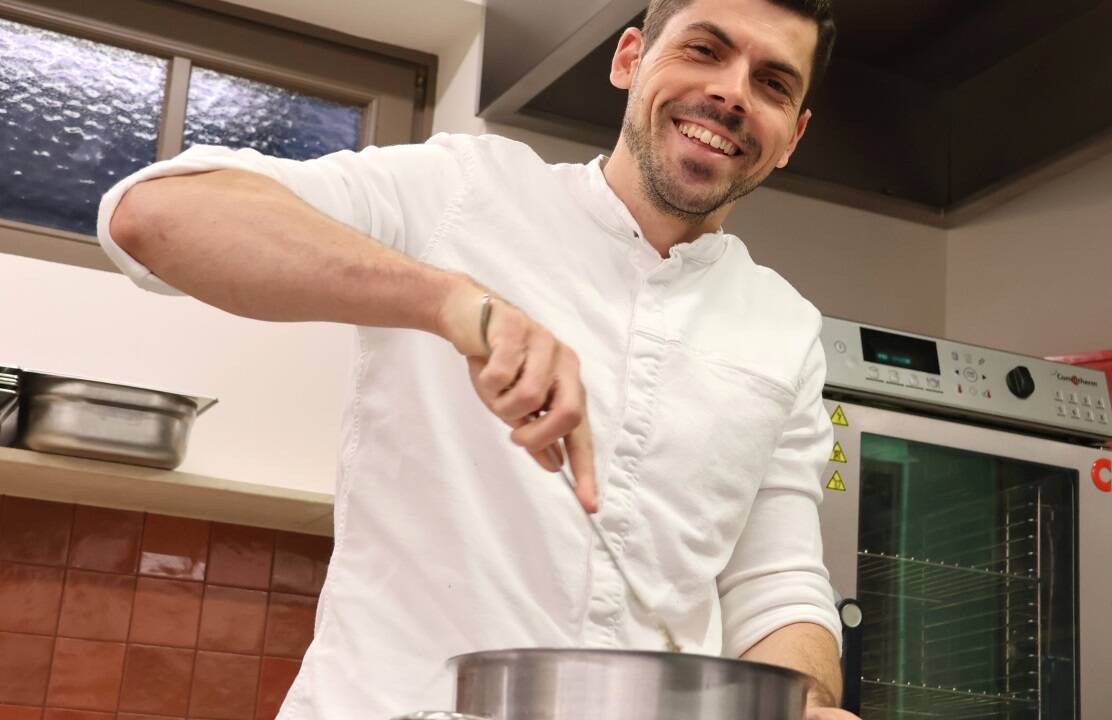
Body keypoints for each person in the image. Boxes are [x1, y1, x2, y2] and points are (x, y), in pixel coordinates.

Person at [98, 0, 857, 717]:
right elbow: (155, 216)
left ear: (792, 135)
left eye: (772, 83)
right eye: (704, 49)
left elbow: (776, 583)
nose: (731, 93)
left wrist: (810, 704)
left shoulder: (785, 328)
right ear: (630, 58)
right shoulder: (463, 190)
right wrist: (450, 302)